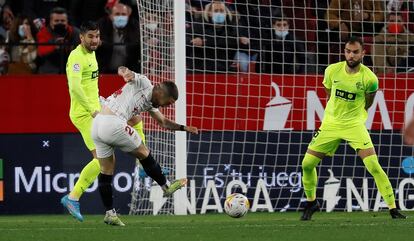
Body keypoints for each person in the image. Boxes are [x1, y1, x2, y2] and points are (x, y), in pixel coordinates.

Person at [300, 36, 406, 221]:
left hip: (354, 126)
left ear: (363, 53)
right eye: (348, 51)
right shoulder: (332, 71)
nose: (351, 55)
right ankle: (311, 202)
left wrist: (354, 115)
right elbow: (328, 92)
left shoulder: (370, 78)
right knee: (307, 164)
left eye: (355, 52)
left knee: (373, 165)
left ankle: (393, 209)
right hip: (330, 124)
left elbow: (369, 102)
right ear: (344, 52)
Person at [60, 21, 146, 226]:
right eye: (90, 36)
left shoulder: (91, 54)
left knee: (134, 116)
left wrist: (100, 103)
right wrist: (92, 110)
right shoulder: (76, 57)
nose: (95, 40)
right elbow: (74, 87)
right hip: (84, 114)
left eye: (97, 36)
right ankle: (73, 197)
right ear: (81, 37)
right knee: (103, 161)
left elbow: (89, 86)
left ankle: (142, 164)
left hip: (98, 104)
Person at [91, 66, 198, 226]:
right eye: (168, 103)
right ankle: (166, 186)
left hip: (97, 124)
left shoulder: (150, 103)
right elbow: (123, 69)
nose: (166, 106)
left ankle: (109, 214)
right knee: (144, 152)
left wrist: (183, 128)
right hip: (113, 123)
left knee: (106, 170)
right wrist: (125, 73)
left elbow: (163, 122)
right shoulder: (143, 82)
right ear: (161, 92)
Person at [96, 3, 140, 73]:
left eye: (123, 14)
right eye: (117, 14)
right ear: (110, 16)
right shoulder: (101, 26)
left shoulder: (135, 27)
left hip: (129, 73)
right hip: (105, 72)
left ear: (128, 16)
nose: (120, 17)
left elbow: (137, 47)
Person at [36, 7, 80, 73]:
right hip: (49, 71)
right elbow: (41, 51)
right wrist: (55, 46)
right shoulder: (43, 32)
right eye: (56, 21)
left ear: (67, 21)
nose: (60, 23)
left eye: (62, 21)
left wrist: (68, 47)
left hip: (71, 70)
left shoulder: (75, 32)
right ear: (50, 21)